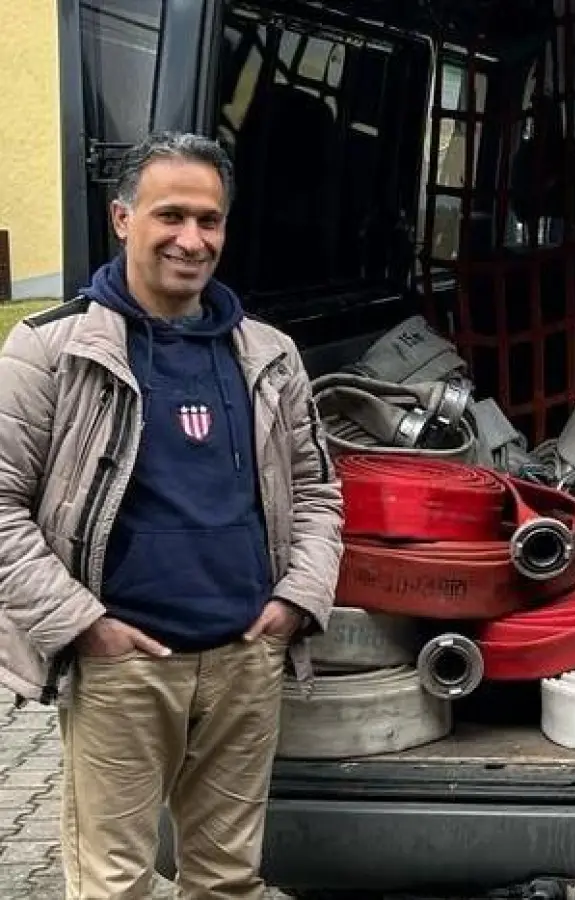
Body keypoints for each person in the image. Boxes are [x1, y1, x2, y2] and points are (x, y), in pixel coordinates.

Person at [0, 131, 343, 899]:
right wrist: (84, 626)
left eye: (210, 220)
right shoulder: (51, 350)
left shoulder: (270, 355)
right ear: (123, 219)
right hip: (120, 665)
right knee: (114, 885)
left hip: (243, 662)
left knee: (227, 880)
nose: (193, 240)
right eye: (171, 216)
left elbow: (318, 492)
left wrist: (294, 602)